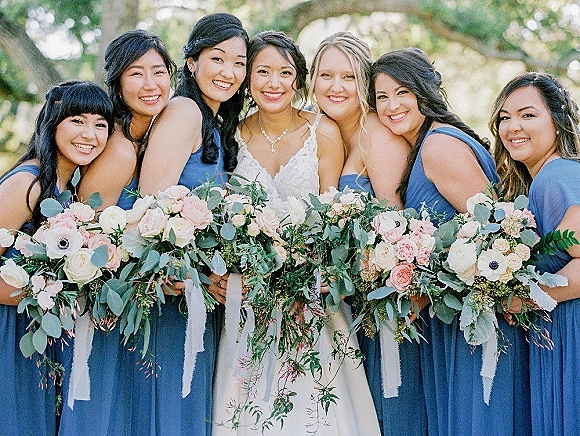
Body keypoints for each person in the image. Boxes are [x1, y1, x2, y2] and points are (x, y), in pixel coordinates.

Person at [212, 30, 380, 436]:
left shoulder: (323, 132)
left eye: (285, 73)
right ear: (248, 77)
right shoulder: (229, 134)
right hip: (249, 302)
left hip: (313, 302)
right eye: (263, 71)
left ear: (299, 79)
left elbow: (334, 218)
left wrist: (311, 272)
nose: (274, 83)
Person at [371, 48, 531, 436]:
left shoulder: (438, 146)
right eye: (381, 97)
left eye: (402, 92)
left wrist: (428, 288)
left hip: (476, 322)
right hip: (454, 317)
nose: (392, 106)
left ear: (425, 90)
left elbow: (493, 234)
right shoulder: (425, 144)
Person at [136, 13, 248, 435]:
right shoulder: (184, 111)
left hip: (199, 292)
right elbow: (150, 208)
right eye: (217, 58)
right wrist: (193, 275)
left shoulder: (214, 122)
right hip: (174, 289)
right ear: (191, 62)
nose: (229, 72)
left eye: (239, 63)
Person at [58, 30, 174, 435]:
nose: (150, 84)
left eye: (158, 72)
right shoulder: (120, 150)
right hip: (101, 306)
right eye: (136, 73)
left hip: (128, 301)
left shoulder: (145, 139)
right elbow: (83, 235)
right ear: (118, 83)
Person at [310, 32, 425, 436]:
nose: (336, 87)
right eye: (326, 75)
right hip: (340, 306)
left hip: (382, 303)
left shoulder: (376, 133)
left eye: (349, 77)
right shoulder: (322, 132)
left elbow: (396, 228)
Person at [0, 80, 113, 436]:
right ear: (52, 124)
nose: (90, 134)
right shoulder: (27, 184)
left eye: (100, 124)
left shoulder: (69, 190)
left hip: (40, 335)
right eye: (77, 120)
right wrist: (50, 290)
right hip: (9, 332)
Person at [490, 72, 580, 435]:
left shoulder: (555, 178)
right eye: (505, 117)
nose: (513, 126)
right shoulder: (548, 179)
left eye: (528, 115)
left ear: (557, 122)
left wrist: (522, 299)